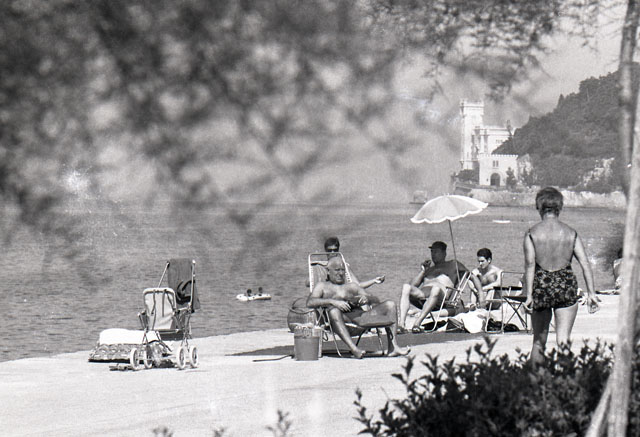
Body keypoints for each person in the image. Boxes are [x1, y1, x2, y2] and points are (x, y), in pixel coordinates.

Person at [523, 187, 600, 366]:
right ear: (560, 207)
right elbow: (585, 263)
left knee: (538, 341)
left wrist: (528, 295)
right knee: (563, 341)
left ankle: (534, 380)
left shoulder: (532, 233)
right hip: (565, 285)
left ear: (539, 207)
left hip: (541, 286)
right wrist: (591, 293)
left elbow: (530, 265)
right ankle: (565, 379)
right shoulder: (571, 233)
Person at [306, 256, 410, 358]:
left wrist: (366, 298)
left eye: (342, 270)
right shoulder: (322, 286)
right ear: (328, 271)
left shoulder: (352, 286)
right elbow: (310, 302)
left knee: (390, 304)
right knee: (334, 311)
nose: (341, 273)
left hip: (361, 319)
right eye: (337, 270)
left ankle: (393, 347)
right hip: (339, 321)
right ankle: (354, 349)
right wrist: (333, 302)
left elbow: (374, 299)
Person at [398, 241, 484, 333]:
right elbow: (413, 285)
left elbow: (471, 276)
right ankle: (401, 324)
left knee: (436, 288)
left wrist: (481, 294)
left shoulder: (453, 264)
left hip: (441, 298)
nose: (433, 254)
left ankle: (417, 323)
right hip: (423, 295)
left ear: (444, 253)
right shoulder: (429, 269)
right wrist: (423, 271)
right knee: (406, 287)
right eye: (432, 252)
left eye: (436, 252)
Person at [306, 236, 385, 290]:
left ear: (338, 250)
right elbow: (308, 283)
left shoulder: (344, 266)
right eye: (329, 250)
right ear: (325, 250)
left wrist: (374, 281)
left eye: (335, 250)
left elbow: (357, 285)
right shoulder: (319, 266)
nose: (332, 253)